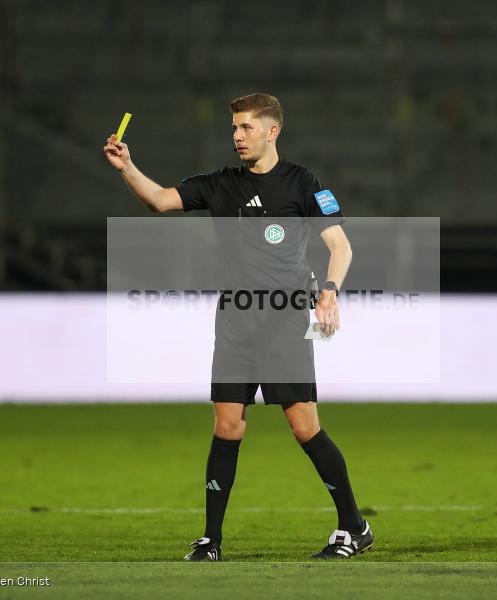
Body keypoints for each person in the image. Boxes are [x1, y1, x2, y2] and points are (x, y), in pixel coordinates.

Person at [103, 92, 372, 560]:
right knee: (227, 425)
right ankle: (211, 540)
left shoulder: (303, 183)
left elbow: (341, 246)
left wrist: (328, 290)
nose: (237, 136)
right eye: (233, 128)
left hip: (285, 319)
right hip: (234, 319)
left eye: (246, 127)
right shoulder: (220, 184)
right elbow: (160, 200)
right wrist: (127, 166)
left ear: (272, 131)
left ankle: (354, 526)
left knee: (304, 427)